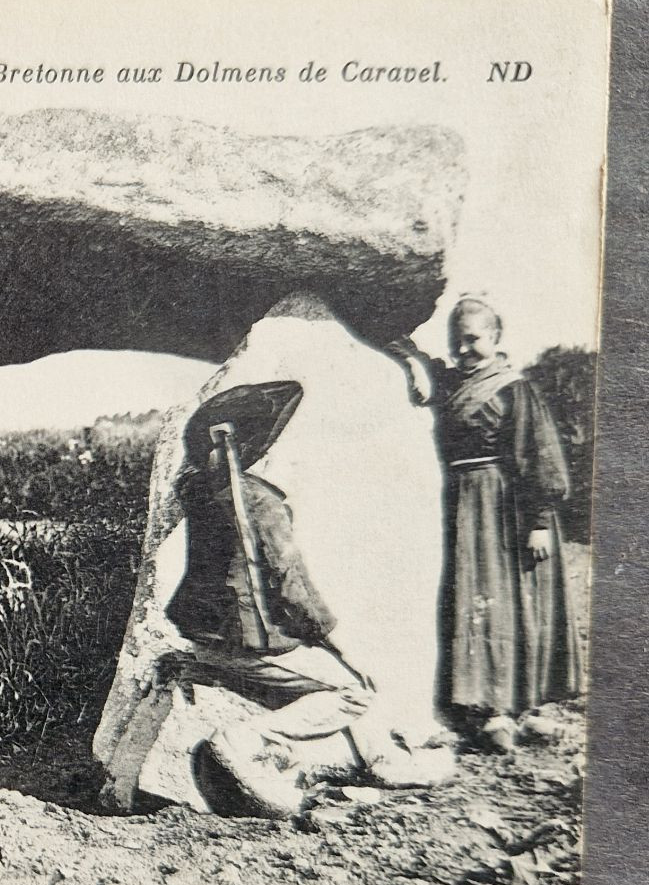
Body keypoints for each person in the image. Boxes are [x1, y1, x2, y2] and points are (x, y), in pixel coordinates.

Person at [166, 381, 451, 819]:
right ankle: (248, 739)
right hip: (246, 638)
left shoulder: (200, 491)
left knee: (333, 671)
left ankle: (380, 760)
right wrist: (341, 643)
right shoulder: (259, 501)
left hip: (205, 630)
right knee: (354, 689)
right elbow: (290, 585)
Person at [389, 297, 581, 743]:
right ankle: (489, 710)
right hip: (462, 501)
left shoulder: (515, 389)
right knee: (478, 598)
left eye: (473, 338)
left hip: (509, 504)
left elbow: (542, 455)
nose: (464, 347)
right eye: (458, 338)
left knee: (520, 600)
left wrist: (539, 520)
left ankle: (528, 707)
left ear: (495, 337)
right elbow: (413, 356)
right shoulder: (451, 381)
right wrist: (408, 354)